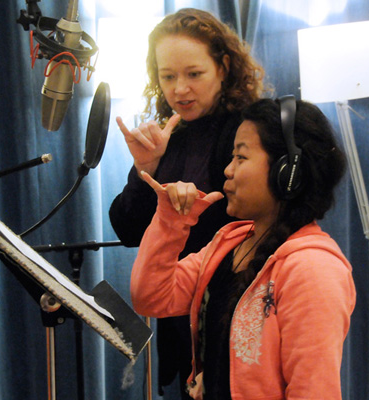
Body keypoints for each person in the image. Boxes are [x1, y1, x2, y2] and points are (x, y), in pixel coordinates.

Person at [130, 97, 356, 400]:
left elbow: (314, 391)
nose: (228, 170)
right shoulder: (229, 243)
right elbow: (150, 298)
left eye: (241, 157)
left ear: (287, 173)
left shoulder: (313, 269)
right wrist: (171, 221)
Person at [109, 8, 266, 398]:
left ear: (224, 67)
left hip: (235, 310)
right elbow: (128, 230)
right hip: (179, 314)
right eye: (167, 76)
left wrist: (182, 210)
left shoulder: (252, 130)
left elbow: (248, 226)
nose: (179, 89)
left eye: (194, 74)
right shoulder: (168, 134)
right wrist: (146, 169)